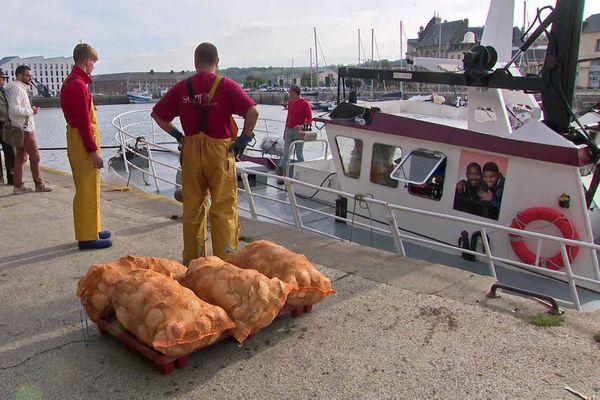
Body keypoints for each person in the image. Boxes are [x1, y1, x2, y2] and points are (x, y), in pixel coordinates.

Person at [152, 42, 258, 264]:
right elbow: (252, 111)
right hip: (219, 153)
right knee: (223, 210)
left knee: (193, 211)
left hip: (190, 151)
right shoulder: (226, 85)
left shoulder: (182, 87)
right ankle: (225, 265)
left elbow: (158, 115)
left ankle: (194, 264)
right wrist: (244, 140)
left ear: (195, 61)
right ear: (217, 63)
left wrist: (179, 137)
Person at [60, 43, 112, 250]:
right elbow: (83, 122)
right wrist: (93, 152)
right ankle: (86, 237)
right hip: (82, 143)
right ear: (87, 60)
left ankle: (93, 228)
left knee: (91, 187)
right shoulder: (77, 86)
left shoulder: (74, 83)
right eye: (93, 62)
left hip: (77, 139)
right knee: (86, 189)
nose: (94, 67)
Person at [6, 65, 52, 194]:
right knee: (35, 156)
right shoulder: (17, 89)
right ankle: (38, 184)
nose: (30, 78)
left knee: (21, 158)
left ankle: (18, 186)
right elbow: (13, 110)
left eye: (31, 75)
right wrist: (31, 111)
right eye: (27, 75)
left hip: (21, 128)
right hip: (25, 129)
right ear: (19, 76)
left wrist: (30, 110)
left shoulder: (19, 88)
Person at [277, 84, 312, 179]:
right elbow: (288, 117)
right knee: (286, 152)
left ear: (294, 92)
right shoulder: (291, 103)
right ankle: (282, 173)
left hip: (299, 132)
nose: (288, 94)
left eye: (290, 92)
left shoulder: (305, 104)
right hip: (289, 129)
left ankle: (304, 171)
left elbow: (309, 120)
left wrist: (301, 126)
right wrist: (285, 131)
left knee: (299, 153)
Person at [0, 67, 15, 186]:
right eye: (2, 78)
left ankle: (12, 178)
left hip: (6, 124)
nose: (4, 80)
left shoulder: (5, 91)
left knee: (10, 151)